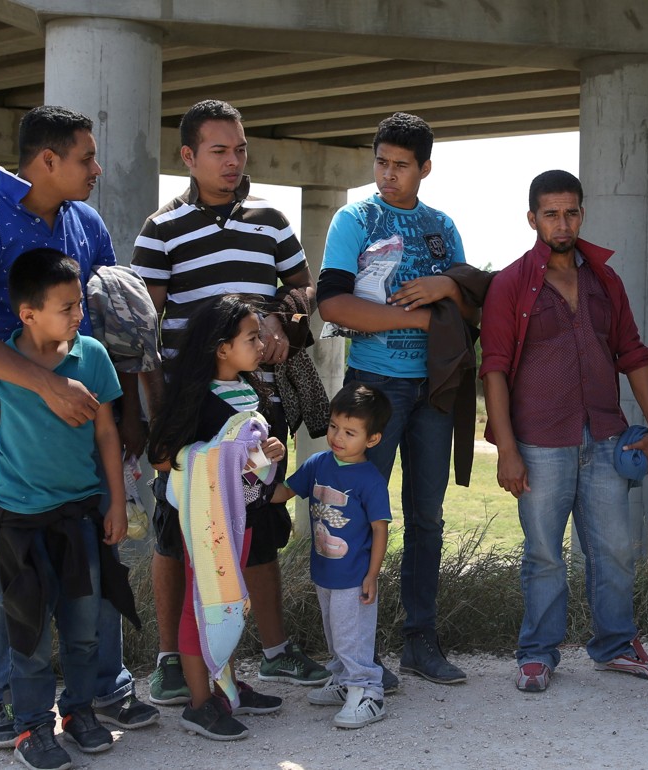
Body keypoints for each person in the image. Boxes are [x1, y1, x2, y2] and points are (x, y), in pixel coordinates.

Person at [0, 105, 158, 750]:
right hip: (7, 422)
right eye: (86, 159)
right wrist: (45, 385)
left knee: (97, 552)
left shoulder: (84, 222)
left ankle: (100, 687)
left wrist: (125, 413)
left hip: (85, 421)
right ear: (47, 161)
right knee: (3, 566)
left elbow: (109, 319)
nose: (96, 170)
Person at [132, 99, 329, 705]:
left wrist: (278, 314)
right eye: (219, 150)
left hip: (256, 403)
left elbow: (304, 294)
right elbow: (143, 323)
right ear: (188, 157)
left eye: (240, 149)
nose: (233, 161)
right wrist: (159, 414)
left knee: (256, 528)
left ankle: (272, 654)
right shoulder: (160, 230)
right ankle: (173, 662)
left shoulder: (271, 221)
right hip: (188, 408)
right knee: (177, 532)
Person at [480, 170, 648, 693]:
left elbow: (633, 353)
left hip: (606, 435)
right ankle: (537, 654)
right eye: (550, 214)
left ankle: (615, 646)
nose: (562, 223)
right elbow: (494, 368)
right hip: (540, 442)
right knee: (544, 552)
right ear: (532, 219)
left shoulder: (604, 280)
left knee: (614, 548)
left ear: (582, 214)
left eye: (571, 213)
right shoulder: (511, 283)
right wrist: (507, 450)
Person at [0, 249, 132, 769]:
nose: (78, 315)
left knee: (82, 629)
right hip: (17, 525)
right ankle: (32, 728)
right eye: (66, 307)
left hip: (79, 519)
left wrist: (115, 502)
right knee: (28, 636)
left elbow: (106, 433)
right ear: (28, 314)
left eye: (79, 305)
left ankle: (78, 712)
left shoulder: (92, 357)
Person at [318, 112, 478, 685]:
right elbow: (332, 303)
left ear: (425, 168)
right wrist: (405, 314)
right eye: (381, 162)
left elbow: (471, 303)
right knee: (356, 514)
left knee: (426, 518)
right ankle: (356, 654)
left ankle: (420, 642)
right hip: (373, 387)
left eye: (401, 166)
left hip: (435, 387)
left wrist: (446, 288)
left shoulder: (442, 226)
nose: (388, 175)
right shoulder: (354, 217)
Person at [146, 295, 289, 741]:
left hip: (238, 518)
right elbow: (165, 458)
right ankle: (199, 703)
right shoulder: (197, 397)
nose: (262, 343)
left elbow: (247, 452)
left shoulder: (248, 388)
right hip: (206, 524)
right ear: (221, 348)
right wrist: (240, 457)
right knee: (203, 604)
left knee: (228, 601)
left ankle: (224, 686)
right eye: (252, 337)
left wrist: (269, 455)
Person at [269, 383, 393, 727]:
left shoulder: (370, 479)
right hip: (325, 573)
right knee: (335, 632)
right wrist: (250, 481)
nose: (338, 437)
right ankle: (343, 683)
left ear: (372, 439)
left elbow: (381, 529)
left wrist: (372, 575)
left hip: (354, 577)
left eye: (350, 432)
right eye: (335, 426)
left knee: (352, 635)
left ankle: (368, 692)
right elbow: (284, 491)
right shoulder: (318, 463)